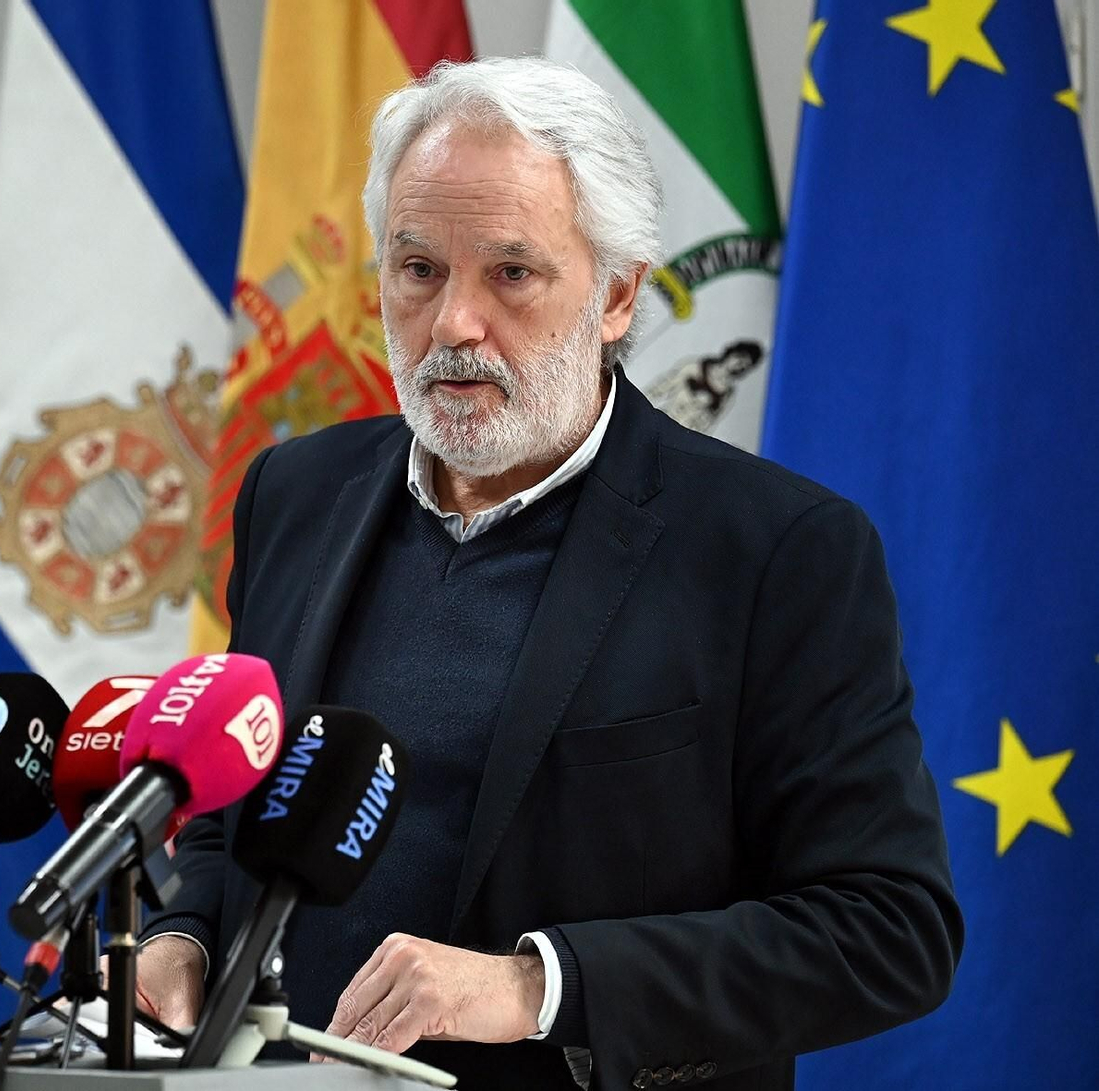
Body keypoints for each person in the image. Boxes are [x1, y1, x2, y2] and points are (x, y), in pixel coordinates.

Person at [133, 57, 963, 1090]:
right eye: (418, 268)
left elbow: (889, 927)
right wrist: (185, 933)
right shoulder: (294, 494)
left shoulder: (778, 550)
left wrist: (541, 985)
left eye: (511, 274)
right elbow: (237, 805)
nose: (453, 324)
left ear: (615, 294)